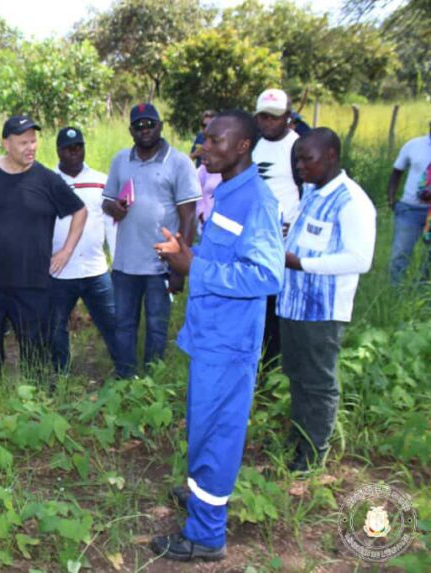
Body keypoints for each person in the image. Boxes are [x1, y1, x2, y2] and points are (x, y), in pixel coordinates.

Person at [150, 110, 284, 561]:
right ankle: (200, 500)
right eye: (204, 139)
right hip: (210, 336)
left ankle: (206, 536)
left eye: (214, 141)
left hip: (229, 345)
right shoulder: (227, 191)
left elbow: (266, 274)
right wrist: (187, 253)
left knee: (218, 434)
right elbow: (229, 256)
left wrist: (196, 268)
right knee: (204, 429)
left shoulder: (257, 200)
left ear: (243, 146)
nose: (205, 147)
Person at [0, 115, 87, 385]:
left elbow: (80, 211)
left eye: (34, 141)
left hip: (33, 282)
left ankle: (35, 397)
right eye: (23, 142)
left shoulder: (47, 179)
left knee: (35, 347)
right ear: (6, 143)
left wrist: (66, 251)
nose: (31, 147)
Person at [279, 128, 376, 472]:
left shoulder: (352, 201)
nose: (300, 166)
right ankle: (299, 436)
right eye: (297, 159)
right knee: (296, 374)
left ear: (332, 155)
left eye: (308, 159)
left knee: (319, 382)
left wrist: (301, 263)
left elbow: (359, 259)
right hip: (292, 303)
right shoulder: (311, 192)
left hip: (321, 310)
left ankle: (313, 454)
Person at [102, 103, 200, 378]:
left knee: (157, 325)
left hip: (161, 265)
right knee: (123, 324)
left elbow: (189, 217)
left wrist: (180, 266)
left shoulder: (179, 162)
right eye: (139, 125)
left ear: (160, 126)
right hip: (124, 263)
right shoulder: (120, 160)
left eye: (150, 124)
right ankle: (125, 378)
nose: (145, 130)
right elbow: (107, 201)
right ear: (131, 130)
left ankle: (151, 382)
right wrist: (115, 208)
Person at [50, 127, 119, 374]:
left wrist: (117, 261)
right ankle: (60, 376)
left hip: (95, 269)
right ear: (58, 150)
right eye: (68, 148)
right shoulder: (48, 181)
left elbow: (111, 224)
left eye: (78, 146)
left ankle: (124, 373)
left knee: (112, 323)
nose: (74, 152)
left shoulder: (102, 180)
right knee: (55, 327)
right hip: (59, 272)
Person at [253, 88, 301, 369]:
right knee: (261, 305)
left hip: (285, 241)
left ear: (287, 117)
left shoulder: (299, 147)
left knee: (280, 309)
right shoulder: (255, 144)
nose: (268, 123)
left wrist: (293, 225)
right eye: (263, 117)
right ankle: (261, 363)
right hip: (256, 239)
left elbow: (307, 192)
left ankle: (277, 366)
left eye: (274, 117)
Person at [387, 120, 431, 283]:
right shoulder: (414, 145)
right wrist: (392, 199)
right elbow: (397, 172)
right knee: (400, 253)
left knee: (429, 256)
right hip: (410, 209)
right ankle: (395, 290)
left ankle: (423, 288)